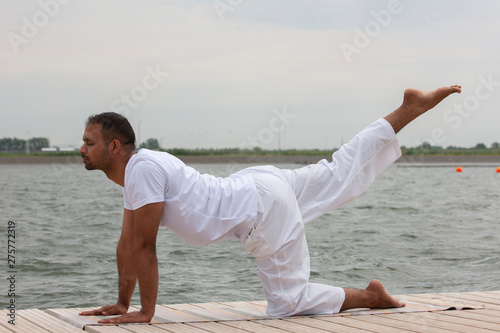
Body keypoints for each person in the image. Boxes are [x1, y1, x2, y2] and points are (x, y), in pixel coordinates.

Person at [78, 85, 461, 324]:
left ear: (114, 147)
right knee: (337, 171)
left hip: (260, 210)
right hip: (257, 184)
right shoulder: (142, 169)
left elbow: (143, 247)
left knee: (288, 303)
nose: (82, 149)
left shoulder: (142, 171)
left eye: (89, 142)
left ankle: (371, 296)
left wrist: (145, 312)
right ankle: (407, 109)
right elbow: (127, 243)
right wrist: (121, 302)